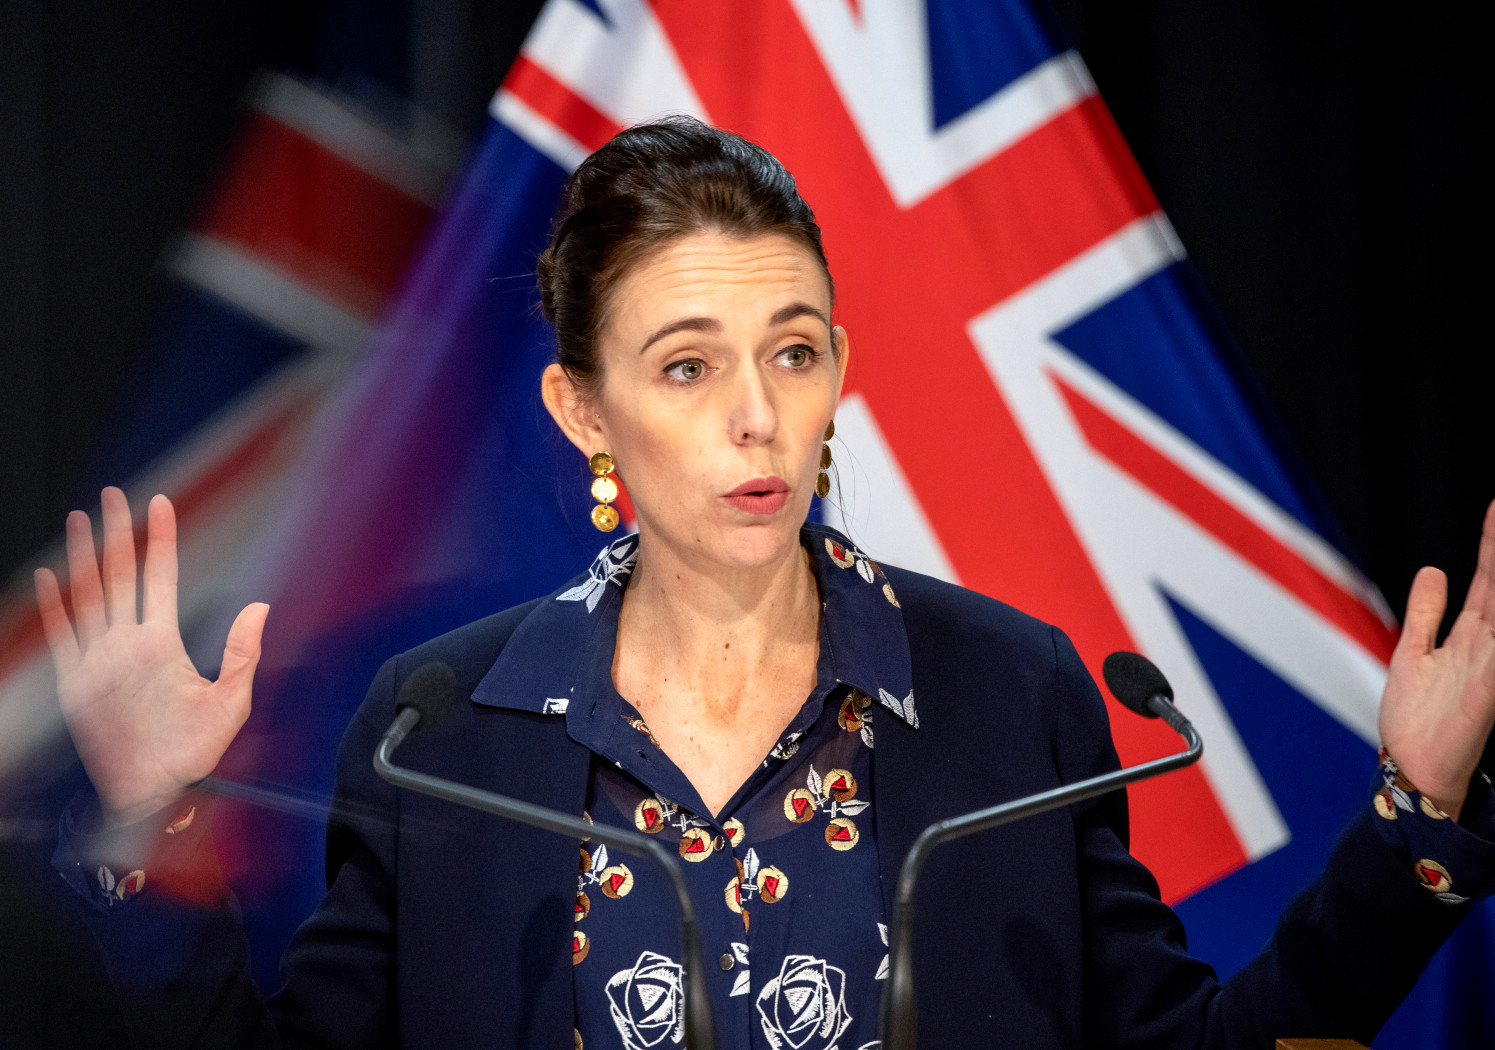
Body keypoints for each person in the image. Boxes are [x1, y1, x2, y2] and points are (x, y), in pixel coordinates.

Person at [32, 117, 1495, 1049]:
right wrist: (145, 821)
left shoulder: (1010, 692)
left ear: (837, 370)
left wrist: (1413, 821)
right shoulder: (441, 727)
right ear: (582, 411)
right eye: (687, 367)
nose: (757, 417)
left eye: (793, 352)